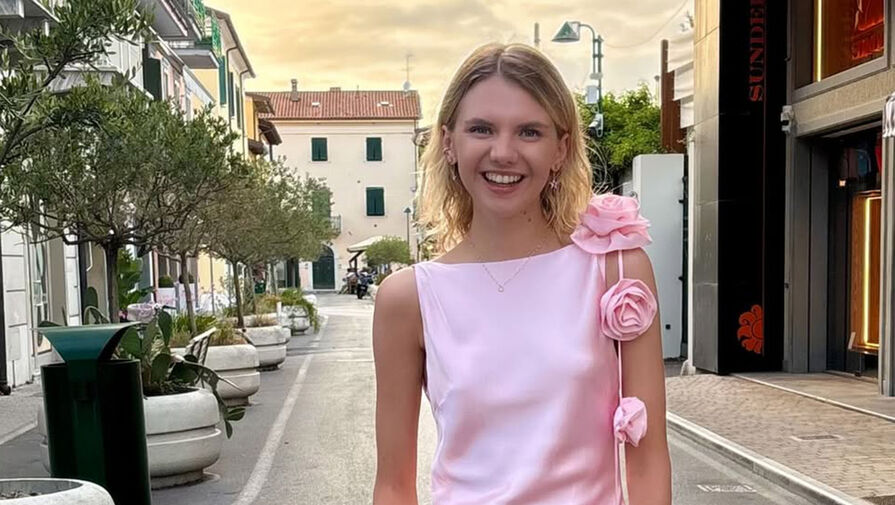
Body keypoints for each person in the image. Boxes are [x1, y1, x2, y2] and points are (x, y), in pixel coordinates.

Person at [372, 42, 671, 505]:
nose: (503, 152)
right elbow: (393, 485)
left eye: (529, 132)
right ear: (449, 142)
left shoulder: (616, 272)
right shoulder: (407, 298)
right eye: (481, 129)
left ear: (561, 149)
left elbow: (648, 459)